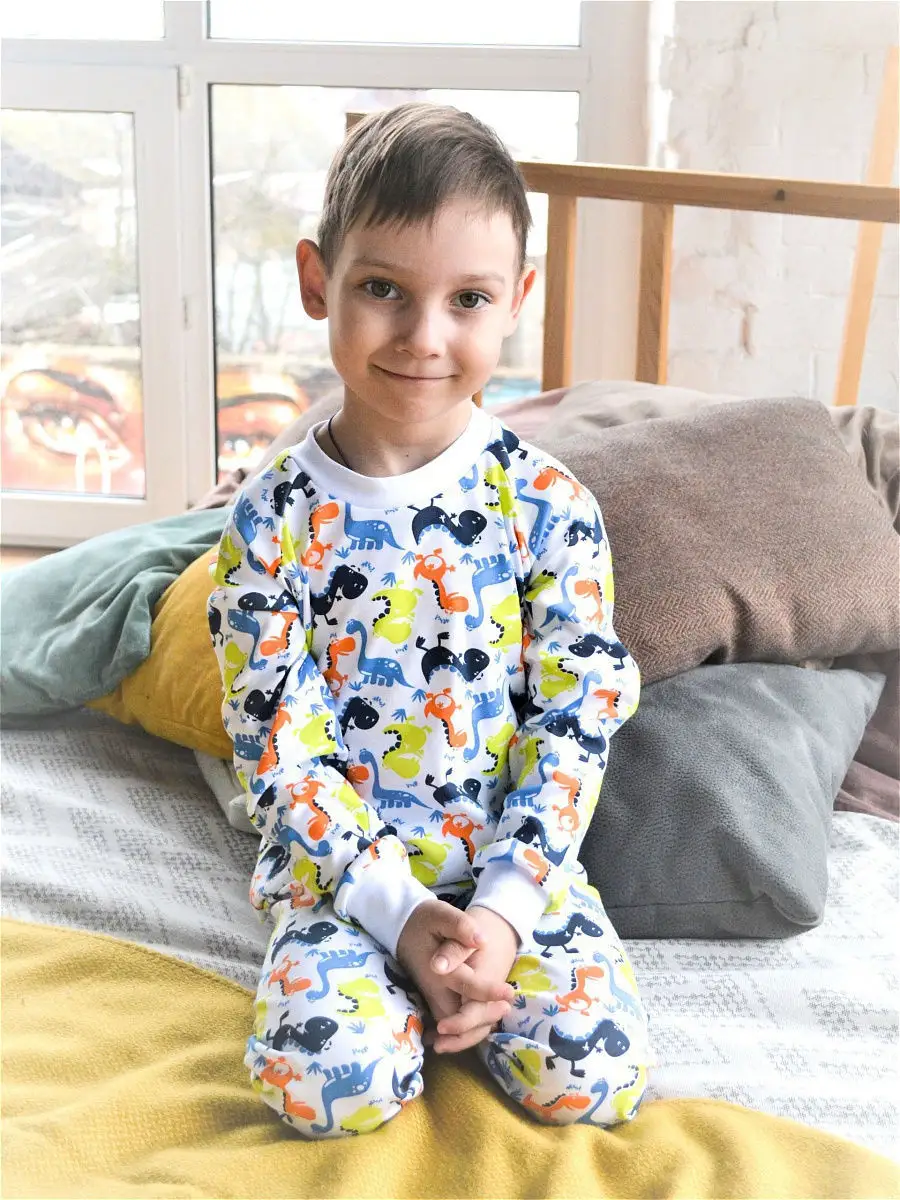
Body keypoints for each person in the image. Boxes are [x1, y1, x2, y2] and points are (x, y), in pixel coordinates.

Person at [208, 102, 650, 1140]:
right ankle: (395, 1006)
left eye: (468, 299)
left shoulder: (547, 507)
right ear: (317, 281)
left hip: (515, 880)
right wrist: (399, 916)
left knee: (594, 1080)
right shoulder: (272, 520)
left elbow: (577, 718)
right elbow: (279, 744)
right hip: (342, 883)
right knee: (325, 1087)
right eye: (382, 290)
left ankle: (469, 989)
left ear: (516, 303)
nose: (423, 337)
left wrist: (501, 913)